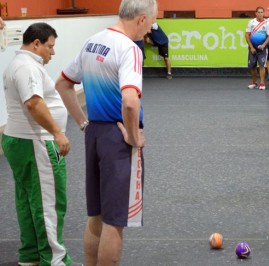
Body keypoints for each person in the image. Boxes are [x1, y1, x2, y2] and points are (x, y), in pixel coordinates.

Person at [55, 0, 156, 265]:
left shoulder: (92, 41)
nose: (150, 30)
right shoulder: (129, 48)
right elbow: (130, 101)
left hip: (95, 135)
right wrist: (134, 137)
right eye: (151, 23)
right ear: (142, 19)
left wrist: (83, 123)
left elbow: (63, 83)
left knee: (97, 214)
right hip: (117, 139)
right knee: (115, 219)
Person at [1, 22, 76, 266]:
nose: (52, 53)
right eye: (50, 47)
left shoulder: (20, 64)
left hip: (22, 141)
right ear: (36, 44)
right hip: (35, 143)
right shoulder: (26, 67)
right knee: (48, 203)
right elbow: (33, 104)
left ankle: (32, 255)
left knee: (29, 200)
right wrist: (57, 132)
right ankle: (55, 260)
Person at [245, 6, 269, 90]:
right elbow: (247, 35)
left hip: (262, 49)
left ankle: (262, 83)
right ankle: (254, 83)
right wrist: (251, 47)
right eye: (258, 12)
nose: (260, 14)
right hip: (252, 48)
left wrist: (263, 45)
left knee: (261, 65)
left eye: (261, 12)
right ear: (256, 13)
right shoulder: (251, 22)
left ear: (263, 13)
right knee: (252, 66)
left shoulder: (267, 23)